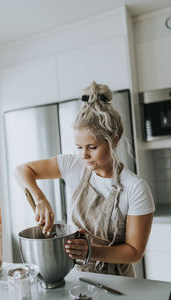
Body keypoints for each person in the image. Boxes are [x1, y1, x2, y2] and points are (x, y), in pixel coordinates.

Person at [14, 81, 155, 277]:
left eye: (92, 147)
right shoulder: (74, 166)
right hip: (75, 274)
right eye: (79, 147)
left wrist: (90, 251)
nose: (84, 155)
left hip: (117, 281)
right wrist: (40, 200)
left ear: (113, 141)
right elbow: (22, 170)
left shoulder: (135, 188)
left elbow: (134, 252)